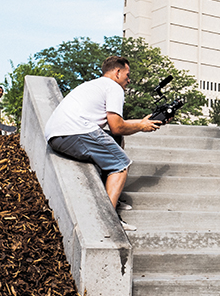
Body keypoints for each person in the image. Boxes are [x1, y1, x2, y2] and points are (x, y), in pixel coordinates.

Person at [44, 56, 160, 231]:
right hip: (76, 131)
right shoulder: (114, 87)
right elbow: (117, 126)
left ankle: (112, 195)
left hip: (56, 135)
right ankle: (109, 220)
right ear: (117, 72)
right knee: (121, 164)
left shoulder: (93, 85)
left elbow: (117, 128)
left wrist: (143, 122)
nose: (129, 80)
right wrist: (141, 127)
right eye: (127, 75)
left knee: (116, 141)